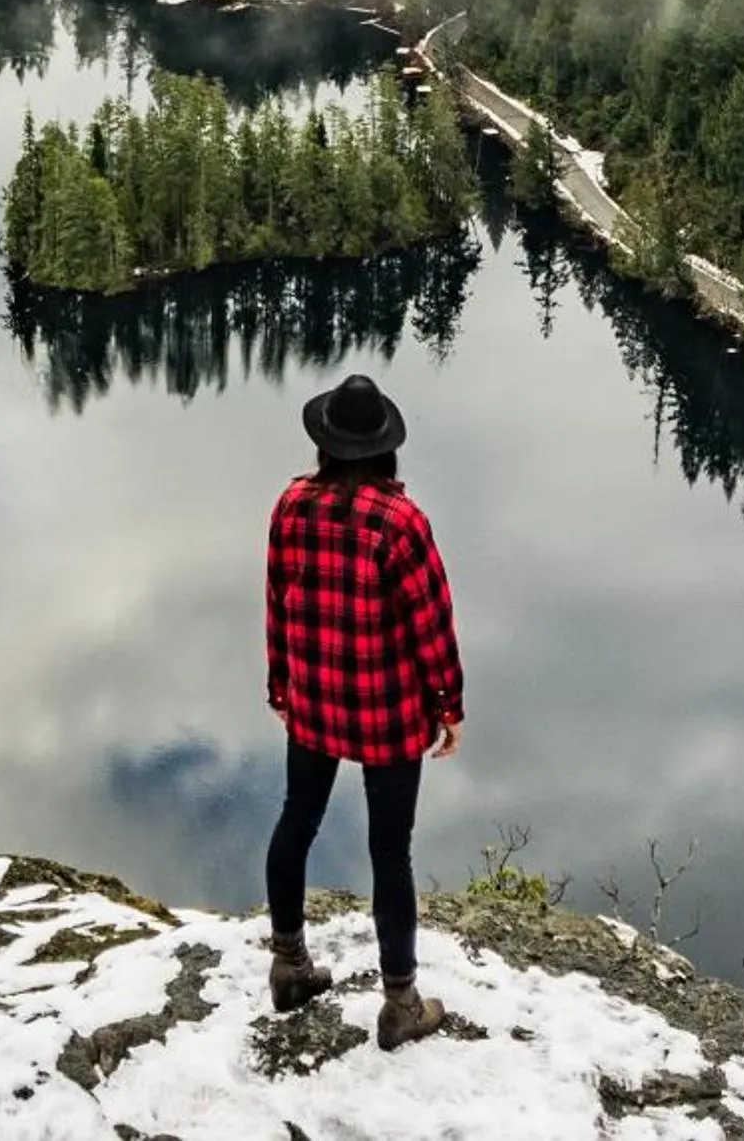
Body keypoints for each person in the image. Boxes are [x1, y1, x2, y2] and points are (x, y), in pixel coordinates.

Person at [263, 370, 464, 1051]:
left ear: (325, 444)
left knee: (297, 819)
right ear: (384, 449)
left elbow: (278, 601)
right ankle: (399, 1002)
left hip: (316, 702)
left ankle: (289, 964)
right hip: (387, 712)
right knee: (391, 852)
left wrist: (281, 684)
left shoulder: (292, 504)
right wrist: (448, 704)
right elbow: (431, 620)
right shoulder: (400, 522)